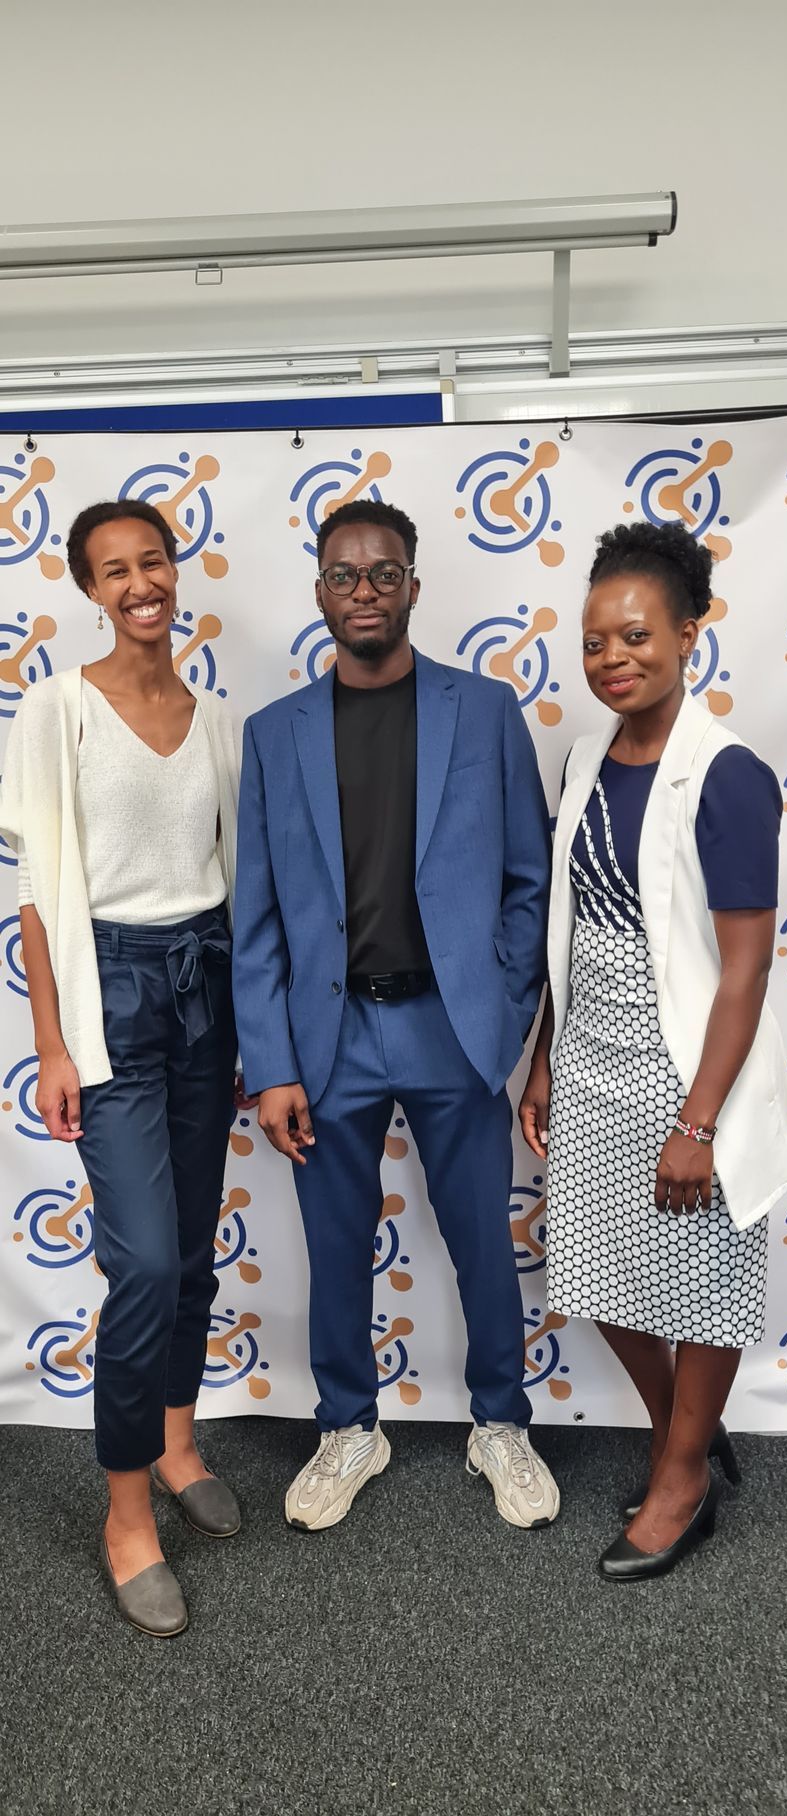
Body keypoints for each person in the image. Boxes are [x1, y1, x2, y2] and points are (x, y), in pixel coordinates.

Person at [232, 498, 559, 1531]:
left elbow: (525, 878)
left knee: (478, 1239)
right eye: (343, 574)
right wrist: (273, 1061)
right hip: (327, 1041)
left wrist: (503, 1013)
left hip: (452, 1028)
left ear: (413, 584)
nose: (363, 590)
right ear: (319, 589)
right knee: (335, 1246)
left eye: (382, 573)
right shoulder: (271, 735)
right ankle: (345, 1427)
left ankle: (499, 1423)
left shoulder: (483, 710)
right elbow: (259, 915)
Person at [520, 518, 787, 1581]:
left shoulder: (723, 774)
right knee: (594, 1276)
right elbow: (570, 929)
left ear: (688, 633)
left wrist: (697, 1121)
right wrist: (542, 1055)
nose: (611, 659)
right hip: (589, 1054)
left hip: (689, 1066)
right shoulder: (584, 757)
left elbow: (742, 968)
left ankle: (679, 1477)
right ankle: (686, 1427)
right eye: (594, 642)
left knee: (707, 1277)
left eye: (634, 636)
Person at [0, 500, 246, 1637]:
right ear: (90, 588)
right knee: (142, 1261)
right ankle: (126, 1510)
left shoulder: (216, 721)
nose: (140, 582)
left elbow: (227, 879)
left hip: (209, 987)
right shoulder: (55, 711)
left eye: (152, 560)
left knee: (190, 1248)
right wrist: (51, 1041)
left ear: (174, 570)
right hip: (111, 995)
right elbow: (41, 899)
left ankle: (180, 1437)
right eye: (115, 570)